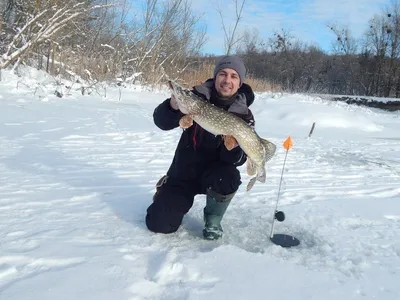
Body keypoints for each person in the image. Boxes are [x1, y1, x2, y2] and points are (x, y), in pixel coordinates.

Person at [145, 55, 255, 240]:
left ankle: (213, 219)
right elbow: (161, 122)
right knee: (159, 224)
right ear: (215, 76)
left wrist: (234, 147)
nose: (227, 80)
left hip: (215, 177)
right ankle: (165, 190)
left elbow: (238, 159)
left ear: (239, 82)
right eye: (223, 74)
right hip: (184, 173)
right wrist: (173, 106)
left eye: (233, 76)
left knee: (229, 176)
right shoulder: (195, 99)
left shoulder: (244, 116)